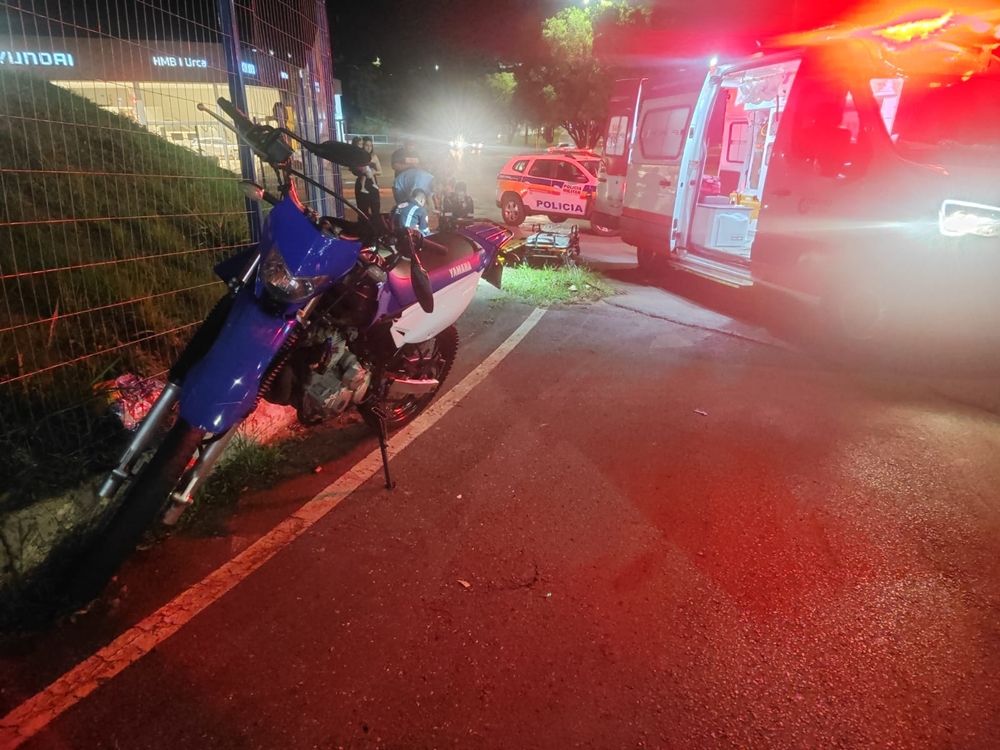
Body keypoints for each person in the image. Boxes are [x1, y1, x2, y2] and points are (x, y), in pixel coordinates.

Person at [355, 137, 381, 219]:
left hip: (373, 185)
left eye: (371, 145)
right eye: (366, 145)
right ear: (363, 146)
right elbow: (354, 171)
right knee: (363, 211)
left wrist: (373, 172)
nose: (369, 147)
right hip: (362, 184)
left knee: (376, 209)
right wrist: (364, 172)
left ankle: (376, 228)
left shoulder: (374, 157)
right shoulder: (358, 156)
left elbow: (380, 171)